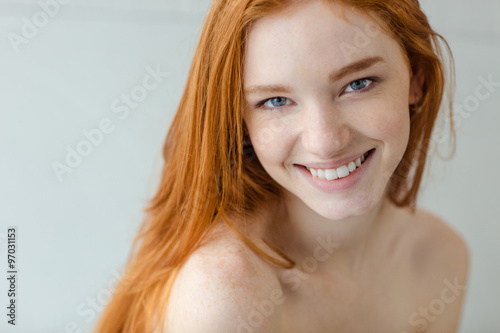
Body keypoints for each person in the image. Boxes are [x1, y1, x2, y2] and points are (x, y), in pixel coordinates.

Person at [94, 0, 470, 332]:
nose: (325, 141)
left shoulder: (441, 258)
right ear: (241, 121)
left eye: (358, 83)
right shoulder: (227, 296)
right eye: (275, 101)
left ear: (415, 81)